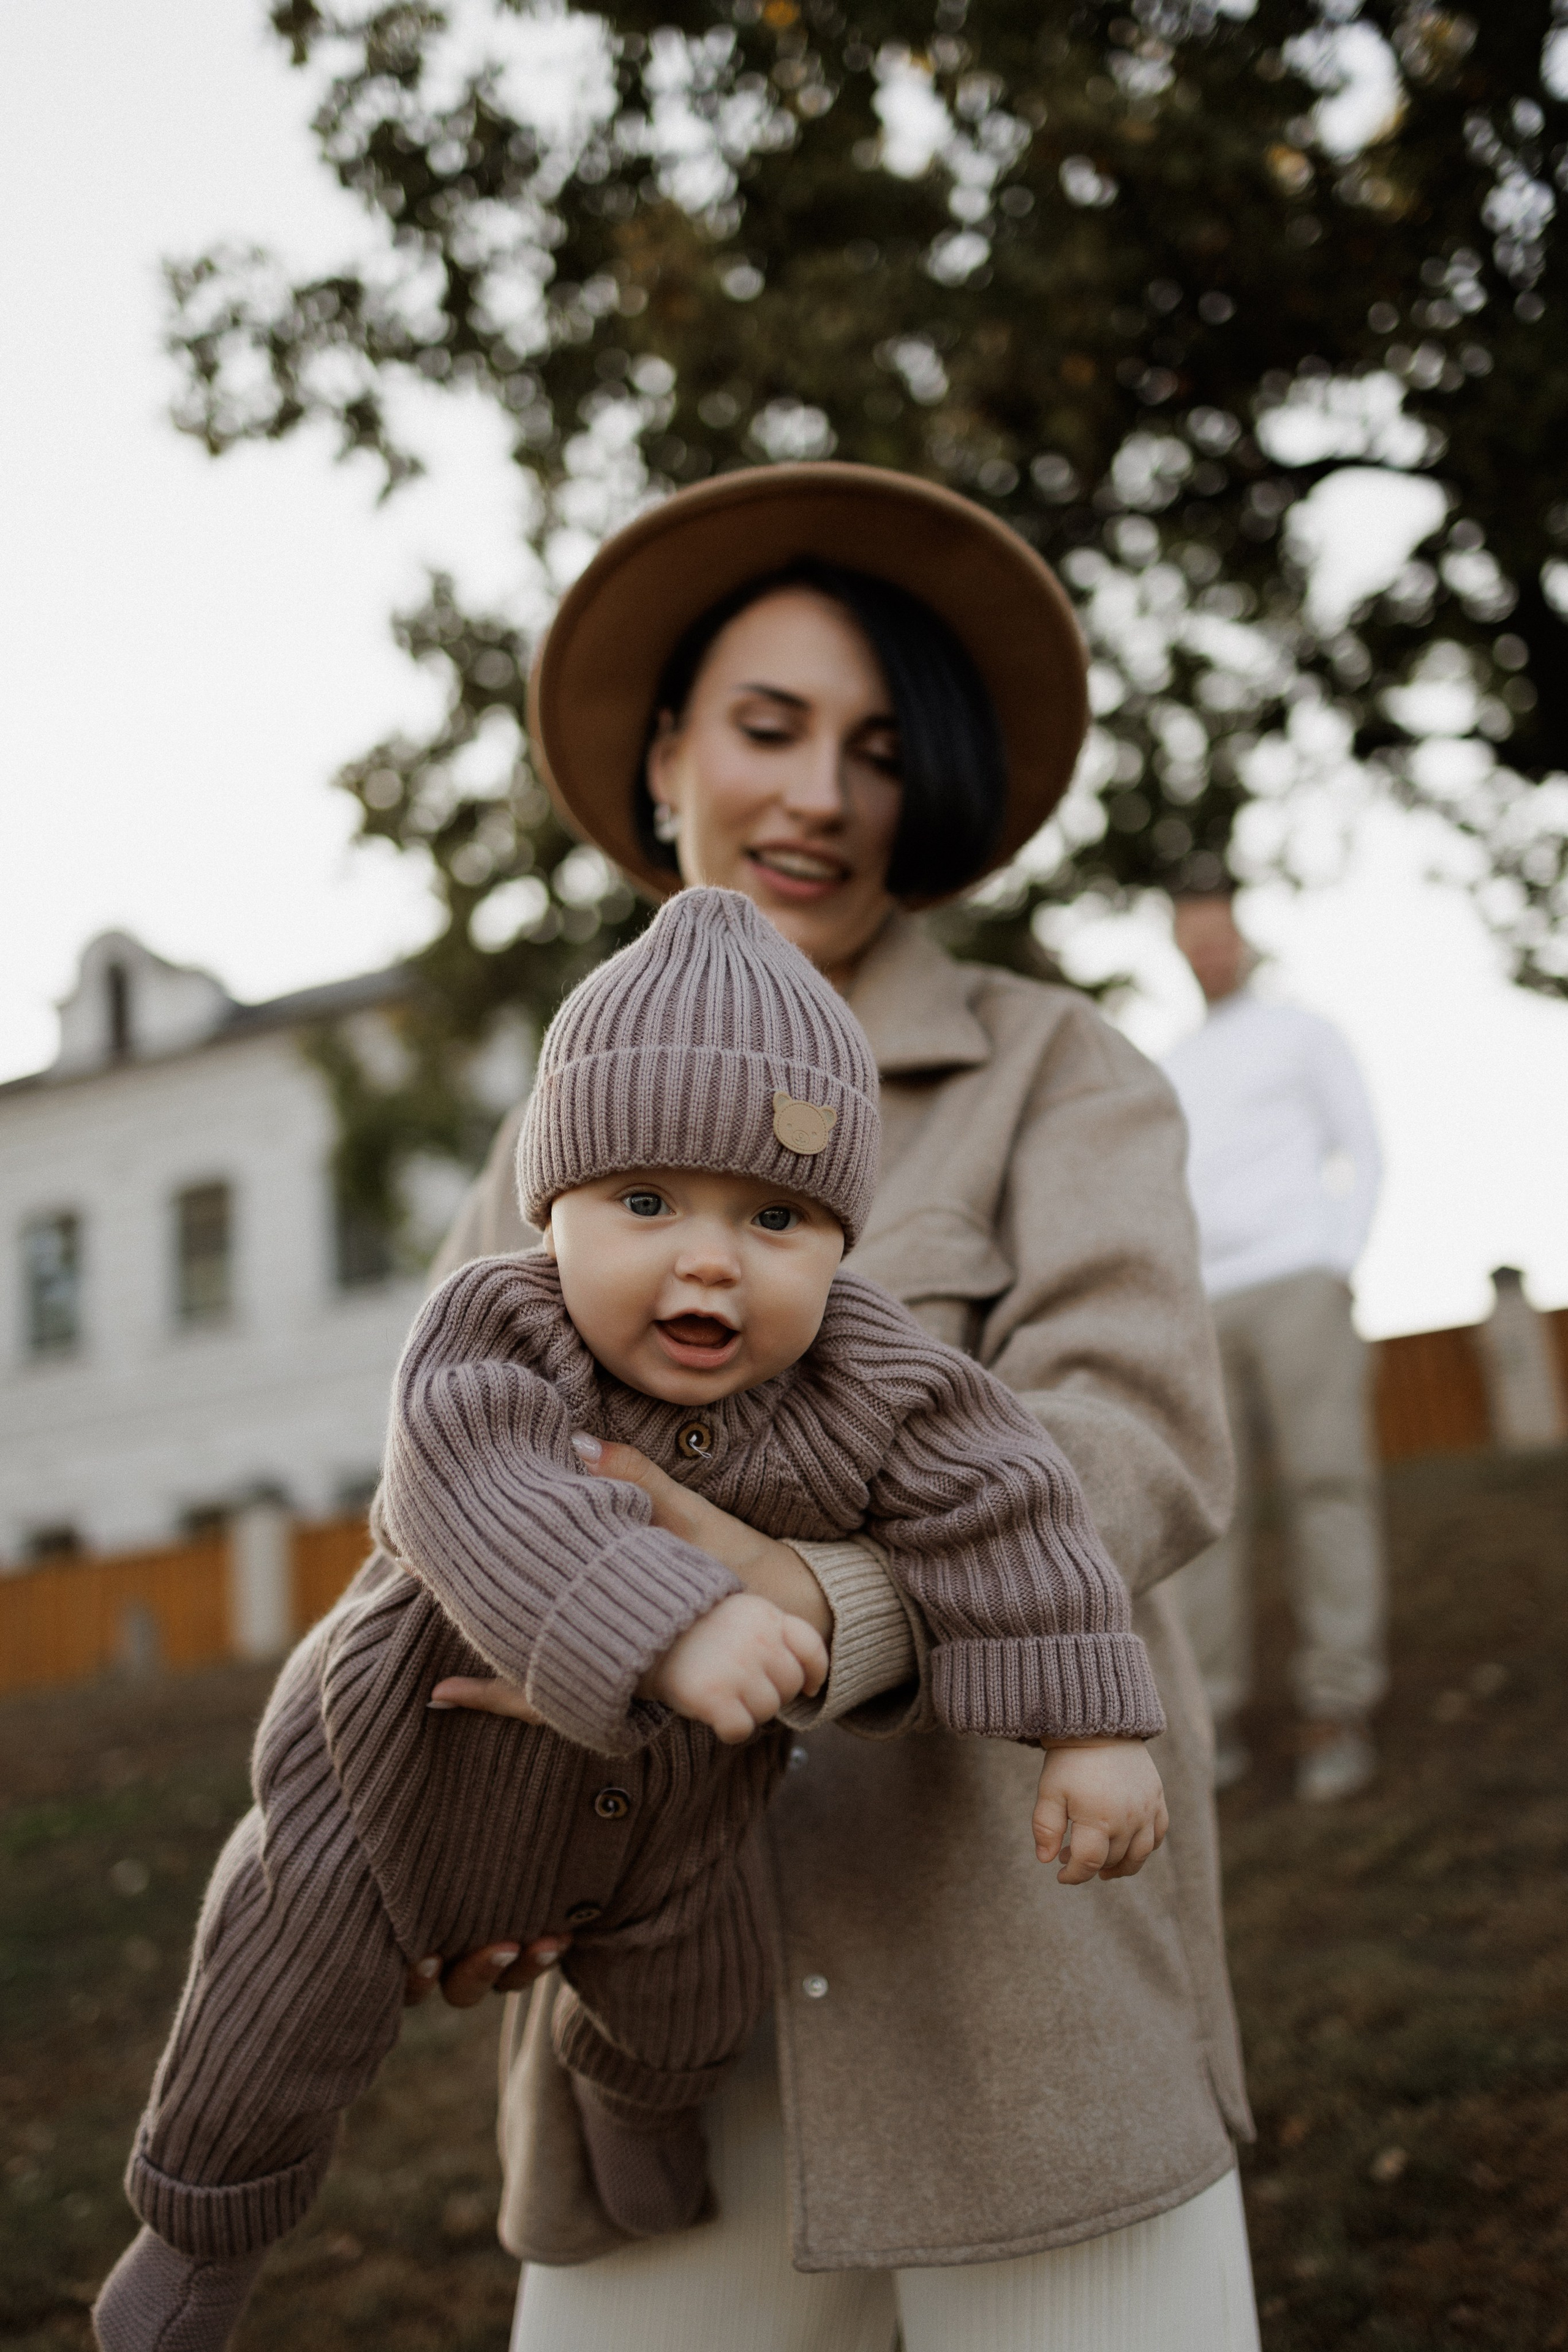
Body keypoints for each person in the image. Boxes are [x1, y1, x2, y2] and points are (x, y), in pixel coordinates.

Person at [409, 465, 1260, 2352]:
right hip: (649, 2038)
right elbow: (441, 1497)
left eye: (876, 749)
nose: (817, 796)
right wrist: (441, 1828)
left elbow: (1132, 1435)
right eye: (768, 729)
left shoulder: (1059, 1070)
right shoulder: (539, 1151)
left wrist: (817, 1603)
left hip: (1011, 1977)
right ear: (661, 762)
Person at [91, 888, 1169, 2351]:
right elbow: (465, 1477)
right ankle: (197, 2245)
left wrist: (1088, 1725)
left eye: (775, 1216)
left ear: (838, 1239)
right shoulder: (500, 1325)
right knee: (278, 2005)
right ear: (557, 1208)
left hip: (673, 1819)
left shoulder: (869, 1368)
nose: (708, 1258)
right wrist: (673, 1621)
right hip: (393, 1779)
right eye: (645, 1204)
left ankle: (637, 2114)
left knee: (689, 2000)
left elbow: (1005, 1500)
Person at [1163, 886, 1387, 1804]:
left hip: (1298, 1283)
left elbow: (1362, 1147)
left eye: (1219, 935)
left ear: (1241, 939)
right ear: (1180, 951)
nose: (1209, 952)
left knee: (1329, 1484)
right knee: (1208, 1515)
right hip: (1205, 1308)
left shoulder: (1303, 1032)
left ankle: (1339, 1705)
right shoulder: (1172, 1063)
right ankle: (1210, 1718)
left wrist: (1334, 1261)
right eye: (1192, 942)